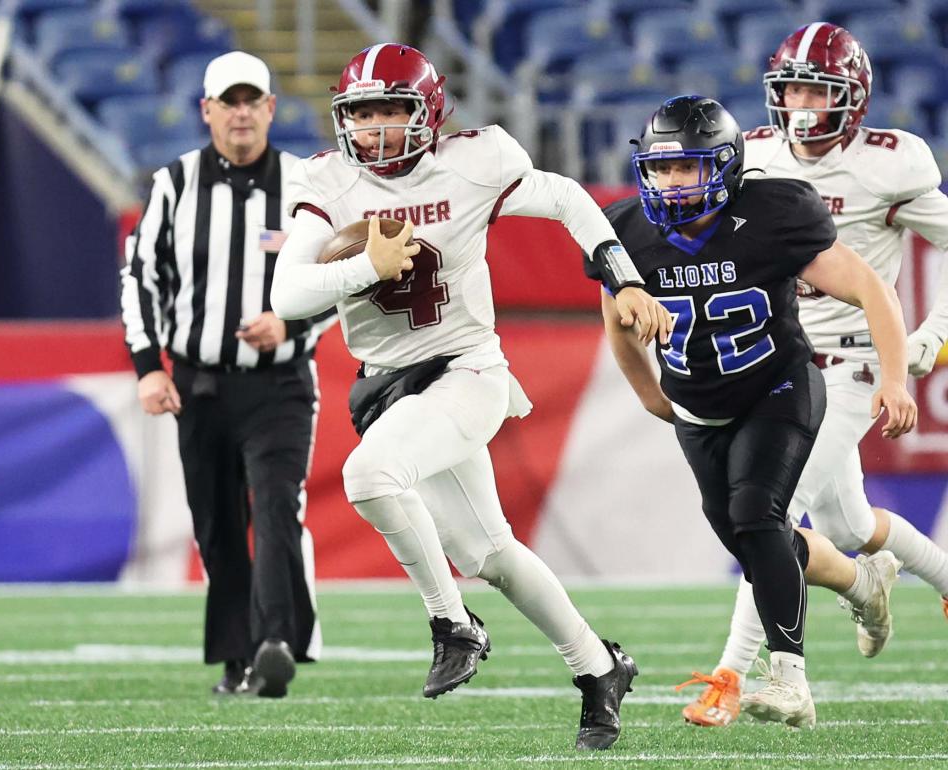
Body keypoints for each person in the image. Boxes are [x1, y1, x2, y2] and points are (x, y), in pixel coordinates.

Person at [271, 43, 672, 750]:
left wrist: (626, 278)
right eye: (361, 113)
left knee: (368, 475)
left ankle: (452, 623)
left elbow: (568, 198)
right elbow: (288, 292)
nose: (375, 129)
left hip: (467, 368)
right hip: (387, 387)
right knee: (492, 555)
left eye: (391, 111)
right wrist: (364, 267)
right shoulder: (327, 179)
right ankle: (600, 667)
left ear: (426, 112)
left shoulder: (473, 160)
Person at [592, 94, 917, 727]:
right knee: (763, 543)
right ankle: (862, 584)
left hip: (778, 386)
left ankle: (790, 679)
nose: (670, 182)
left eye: (686, 168)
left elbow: (869, 287)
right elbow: (618, 317)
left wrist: (896, 379)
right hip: (700, 411)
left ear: (724, 166)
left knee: (755, 513)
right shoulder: (627, 231)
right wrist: (650, 394)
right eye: (660, 169)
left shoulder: (773, 213)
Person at [678, 22, 948, 728]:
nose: (799, 103)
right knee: (846, 522)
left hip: (853, 363)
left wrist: (930, 337)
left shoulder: (890, 164)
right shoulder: (757, 153)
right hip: (778, 361)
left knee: (765, 513)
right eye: (789, 87)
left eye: (814, 89)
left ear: (851, 98)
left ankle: (744, 676)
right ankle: (875, 583)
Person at [120, 51, 330, 698]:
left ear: (271, 108)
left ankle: (273, 644)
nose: (241, 113)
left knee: (273, 505)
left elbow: (338, 281)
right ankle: (238, 656)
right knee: (215, 521)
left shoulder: (305, 184)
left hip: (280, 383)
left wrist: (288, 326)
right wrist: (147, 368)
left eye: (252, 101)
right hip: (200, 383)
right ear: (207, 110)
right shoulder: (173, 184)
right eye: (228, 102)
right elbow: (141, 276)